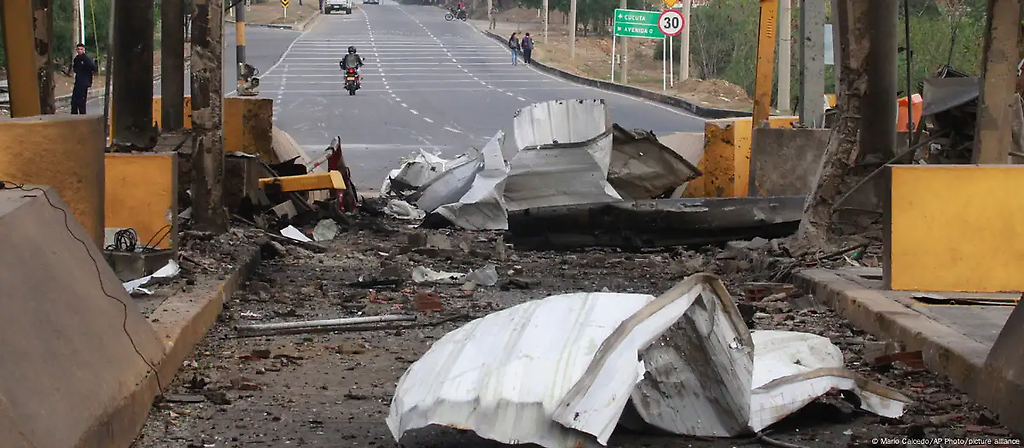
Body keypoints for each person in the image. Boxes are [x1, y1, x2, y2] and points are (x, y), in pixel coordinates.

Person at [71, 43, 97, 115]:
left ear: (84, 50)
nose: (79, 51)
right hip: (78, 81)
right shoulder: (76, 59)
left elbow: (93, 67)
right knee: (74, 100)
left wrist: (89, 76)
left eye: (81, 49)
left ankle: (82, 115)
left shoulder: (87, 59)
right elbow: (75, 69)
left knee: (81, 101)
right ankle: (74, 115)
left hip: (84, 82)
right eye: (78, 49)